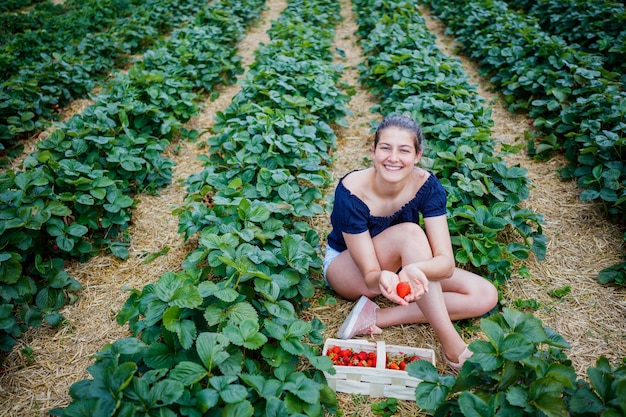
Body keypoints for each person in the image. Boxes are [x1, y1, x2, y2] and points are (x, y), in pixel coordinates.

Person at [323, 114, 498, 371]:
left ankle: (376, 316)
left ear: (417, 155)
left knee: (484, 295)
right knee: (410, 232)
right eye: (385, 148)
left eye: (404, 150)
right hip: (350, 269)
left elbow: (445, 264)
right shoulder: (352, 192)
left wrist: (416, 270)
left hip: (403, 262)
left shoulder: (427, 186)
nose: (393, 158)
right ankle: (453, 348)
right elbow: (371, 274)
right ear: (373, 151)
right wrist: (384, 276)